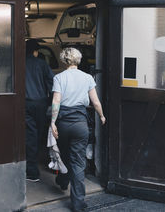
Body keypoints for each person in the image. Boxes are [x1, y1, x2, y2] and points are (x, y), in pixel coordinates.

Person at [50, 47, 106, 212]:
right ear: (78, 60)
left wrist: (53, 122)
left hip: (63, 123)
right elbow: (95, 102)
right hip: (80, 124)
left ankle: (62, 181)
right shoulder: (87, 77)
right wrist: (102, 116)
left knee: (64, 154)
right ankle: (78, 203)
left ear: (64, 61)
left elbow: (56, 101)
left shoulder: (59, 77)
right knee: (78, 163)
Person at [25, 39, 54, 182]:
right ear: (35, 51)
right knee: (38, 135)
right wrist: (50, 102)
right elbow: (52, 84)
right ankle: (33, 169)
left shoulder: (19, 64)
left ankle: (31, 171)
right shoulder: (42, 64)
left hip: (25, 104)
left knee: (30, 136)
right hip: (41, 104)